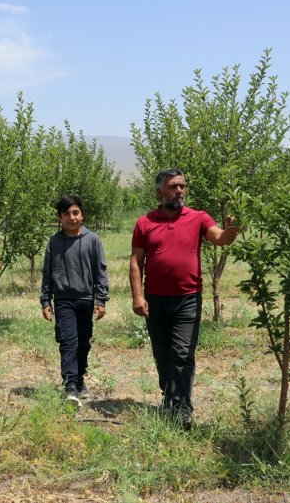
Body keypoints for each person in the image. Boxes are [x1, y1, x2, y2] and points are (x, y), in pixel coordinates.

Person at [129, 168, 239, 429]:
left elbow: (221, 239)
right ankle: (169, 397)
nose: (179, 191)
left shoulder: (198, 217)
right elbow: (136, 261)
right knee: (162, 354)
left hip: (188, 298)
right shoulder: (144, 222)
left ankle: (183, 408)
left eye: (182, 186)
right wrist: (137, 296)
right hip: (155, 299)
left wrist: (233, 226)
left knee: (182, 354)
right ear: (159, 192)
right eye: (173, 187)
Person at [40, 195, 109, 408]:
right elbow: (48, 272)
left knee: (84, 341)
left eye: (75, 213)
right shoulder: (54, 242)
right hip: (63, 300)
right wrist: (45, 300)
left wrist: (101, 299)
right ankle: (70, 384)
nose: (72, 217)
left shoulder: (92, 240)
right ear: (60, 217)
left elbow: (101, 271)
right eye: (67, 214)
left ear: (82, 214)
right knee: (68, 341)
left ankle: (79, 378)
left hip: (86, 299)